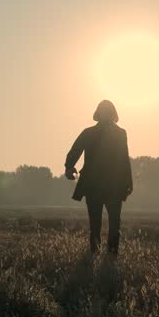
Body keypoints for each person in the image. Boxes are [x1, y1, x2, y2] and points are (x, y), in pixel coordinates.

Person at [65, 99, 133, 255]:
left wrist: (69, 167)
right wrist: (128, 182)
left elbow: (124, 159)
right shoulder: (118, 133)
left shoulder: (90, 133)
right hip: (111, 185)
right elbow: (124, 160)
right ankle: (109, 254)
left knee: (98, 222)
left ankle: (99, 253)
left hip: (99, 185)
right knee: (112, 222)